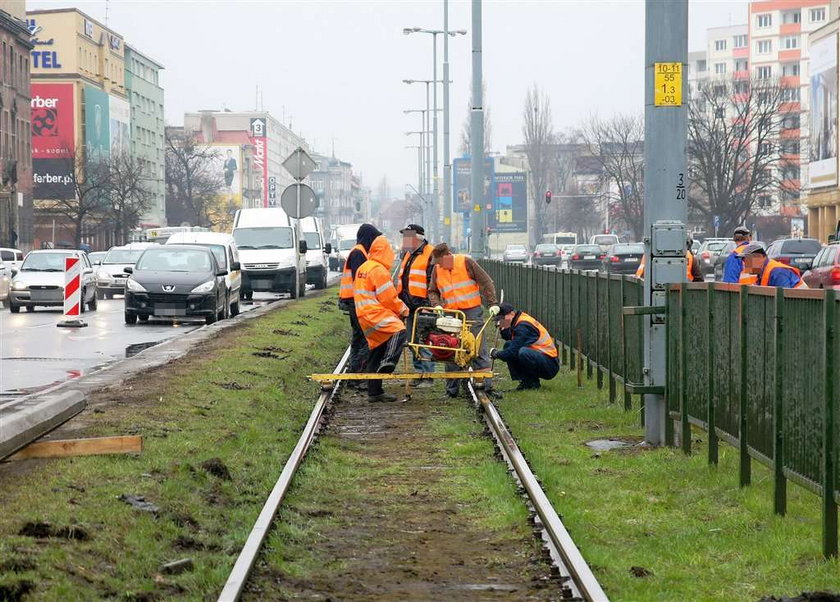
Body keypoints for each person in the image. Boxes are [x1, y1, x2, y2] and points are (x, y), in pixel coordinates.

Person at [427, 243, 501, 399]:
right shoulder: (437, 270)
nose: (438, 265)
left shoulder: (466, 262)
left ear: (446, 256)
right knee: (451, 349)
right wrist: (437, 305)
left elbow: (486, 282)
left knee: (477, 348)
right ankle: (451, 390)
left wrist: (493, 303)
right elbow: (432, 291)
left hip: (471, 312)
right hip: (450, 314)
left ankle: (486, 386)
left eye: (439, 261)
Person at [354, 234, 410, 402]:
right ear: (384, 251)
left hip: (363, 315)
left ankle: (374, 392)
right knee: (399, 330)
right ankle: (388, 362)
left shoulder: (364, 267)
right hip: (375, 313)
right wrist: (404, 310)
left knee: (376, 350)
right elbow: (388, 298)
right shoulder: (378, 270)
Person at [338, 224, 381, 379]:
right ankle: (359, 375)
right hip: (355, 302)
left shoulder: (358, 252)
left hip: (352, 301)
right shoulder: (359, 253)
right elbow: (361, 279)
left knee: (357, 338)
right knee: (365, 338)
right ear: (369, 238)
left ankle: (353, 372)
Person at [395, 224, 435, 383]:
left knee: (423, 341)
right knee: (412, 341)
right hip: (409, 306)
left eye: (406, 237)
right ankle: (419, 374)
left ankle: (428, 376)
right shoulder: (408, 254)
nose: (404, 240)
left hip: (423, 306)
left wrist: (429, 305)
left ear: (416, 238)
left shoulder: (431, 253)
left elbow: (434, 281)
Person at [489, 303, 559, 390]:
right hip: (541, 357)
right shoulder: (518, 319)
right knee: (509, 345)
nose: (501, 321)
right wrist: (503, 328)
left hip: (550, 363)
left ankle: (533, 384)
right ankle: (525, 382)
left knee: (523, 352)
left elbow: (512, 352)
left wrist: (496, 354)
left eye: (503, 318)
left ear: (512, 314)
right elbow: (510, 338)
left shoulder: (523, 326)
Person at [739, 242, 807, 288]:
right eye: (744, 261)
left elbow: (783, 299)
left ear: (760, 257)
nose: (745, 264)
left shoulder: (777, 272)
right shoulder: (762, 274)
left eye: (747, 260)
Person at [634, 240, 702, 282]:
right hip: (683, 293)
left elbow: (641, 277)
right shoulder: (690, 257)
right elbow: (699, 280)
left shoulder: (649, 255)